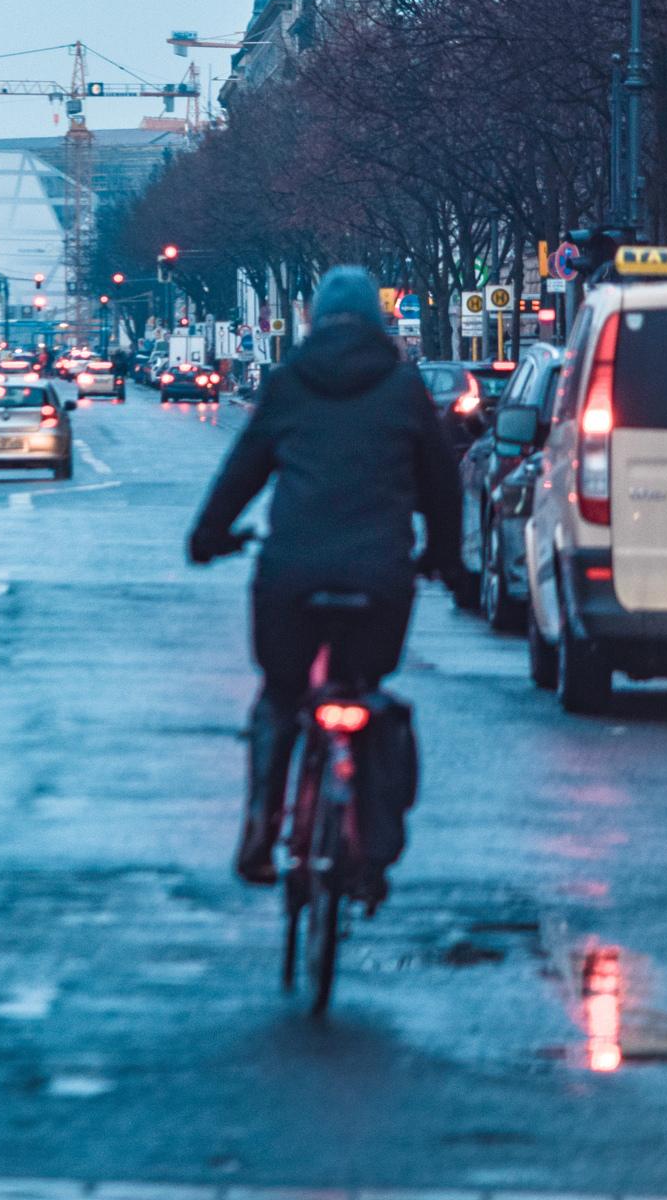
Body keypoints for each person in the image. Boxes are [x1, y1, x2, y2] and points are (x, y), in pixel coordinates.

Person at [186, 266, 461, 885]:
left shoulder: (288, 384)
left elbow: (243, 472)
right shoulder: (403, 389)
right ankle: (371, 838)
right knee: (367, 688)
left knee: (282, 695)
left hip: (291, 577)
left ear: (311, 319)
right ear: (379, 321)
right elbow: (443, 485)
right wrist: (447, 560)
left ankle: (261, 826)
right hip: (380, 577)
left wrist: (209, 536)